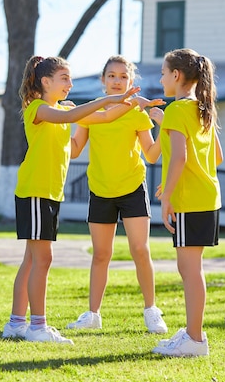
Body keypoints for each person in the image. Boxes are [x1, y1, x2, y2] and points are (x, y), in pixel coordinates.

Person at [1, 55, 162, 344]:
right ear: (46, 82)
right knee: (42, 259)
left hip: (48, 192)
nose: (70, 84)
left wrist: (128, 103)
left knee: (31, 259)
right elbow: (71, 118)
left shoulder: (61, 108)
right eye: (65, 79)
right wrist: (107, 101)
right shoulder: (40, 109)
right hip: (37, 190)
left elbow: (103, 117)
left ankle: (16, 322)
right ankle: (37, 325)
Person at [66, 55, 168, 334]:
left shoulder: (136, 112)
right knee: (101, 254)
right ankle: (93, 314)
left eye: (123, 76)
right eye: (111, 75)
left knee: (139, 249)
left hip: (132, 186)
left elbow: (150, 153)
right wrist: (59, 120)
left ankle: (151, 311)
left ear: (130, 81)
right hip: (100, 189)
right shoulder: (89, 113)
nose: (116, 81)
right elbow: (74, 149)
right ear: (103, 80)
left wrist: (165, 129)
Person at [149, 48, 224, 357]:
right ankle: (193, 334)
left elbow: (179, 156)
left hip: (190, 201)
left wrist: (168, 197)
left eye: (164, 72)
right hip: (208, 198)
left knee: (189, 269)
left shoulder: (179, 111)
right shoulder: (202, 109)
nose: (162, 77)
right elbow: (216, 156)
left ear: (176, 76)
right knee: (192, 268)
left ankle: (194, 339)